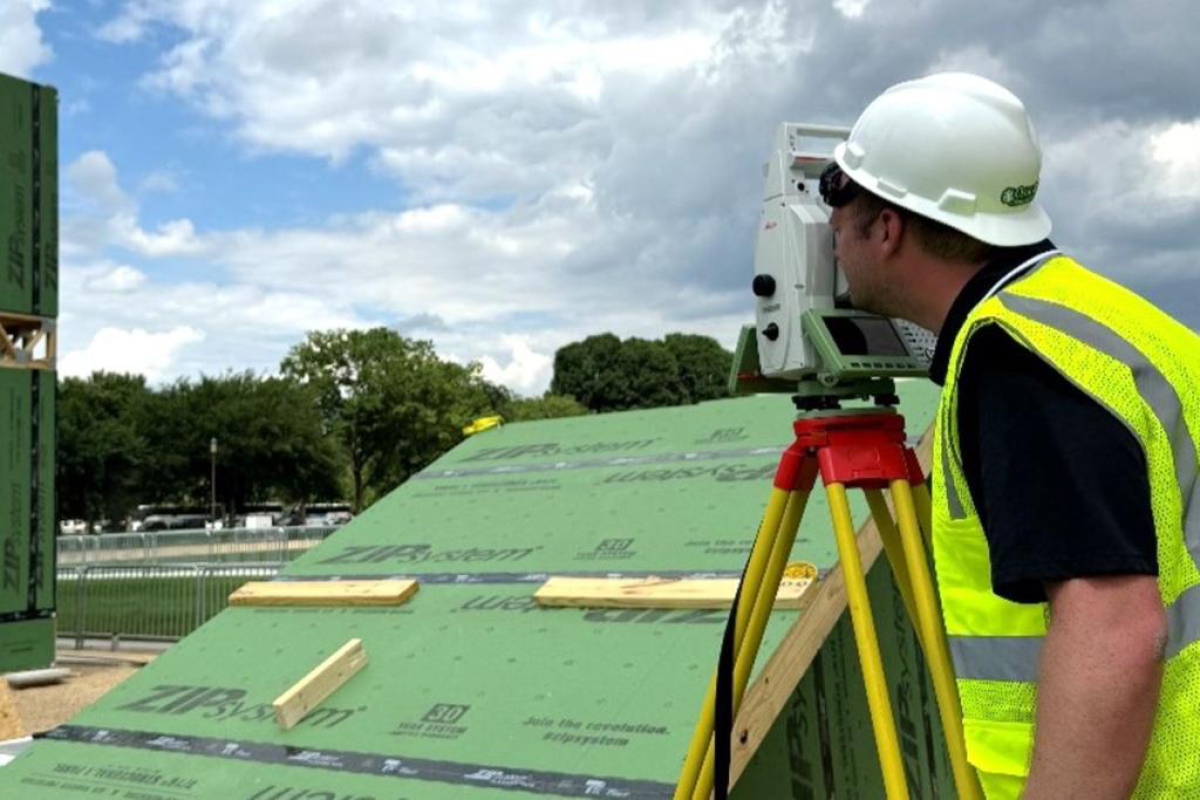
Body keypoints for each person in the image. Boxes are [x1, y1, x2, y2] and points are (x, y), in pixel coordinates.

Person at [818, 72, 1200, 799]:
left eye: (840, 197)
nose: (829, 229)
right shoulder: (1104, 319)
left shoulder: (1016, 361)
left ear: (888, 227)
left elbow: (1114, 627)